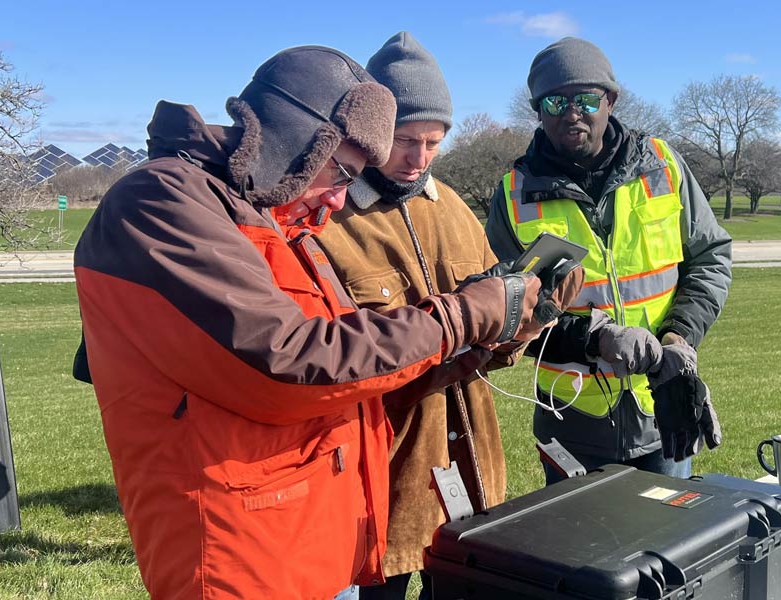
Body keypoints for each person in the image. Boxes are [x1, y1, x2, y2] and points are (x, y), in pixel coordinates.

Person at [73, 46, 582, 600]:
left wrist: (488, 343)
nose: (340, 200)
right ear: (298, 134)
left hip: (311, 544)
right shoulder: (160, 203)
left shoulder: (269, 216)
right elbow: (291, 363)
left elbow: (354, 387)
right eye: (340, 170)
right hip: (238, 561)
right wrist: (464, 314)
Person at [303, 33, 509, 600]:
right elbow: (329, 357)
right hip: (382, 470)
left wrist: (521, 317)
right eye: (404, 140)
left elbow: (494, 317)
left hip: (470, 467)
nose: (418, 159)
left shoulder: (457, 210)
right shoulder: (326, 215)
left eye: (433, 142)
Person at [485, 37, 732, 484]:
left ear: (611, 101)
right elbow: (502, 316)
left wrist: (680, 336)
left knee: (670, 545)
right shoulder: (512, 194)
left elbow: (710, 258)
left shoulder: (663, 166)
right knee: (578, 550)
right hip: (570, 423)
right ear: (537, 109)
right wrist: (592, 340)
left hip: (661, 410)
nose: (571, 112)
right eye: (556, 100)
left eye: (586, 99)